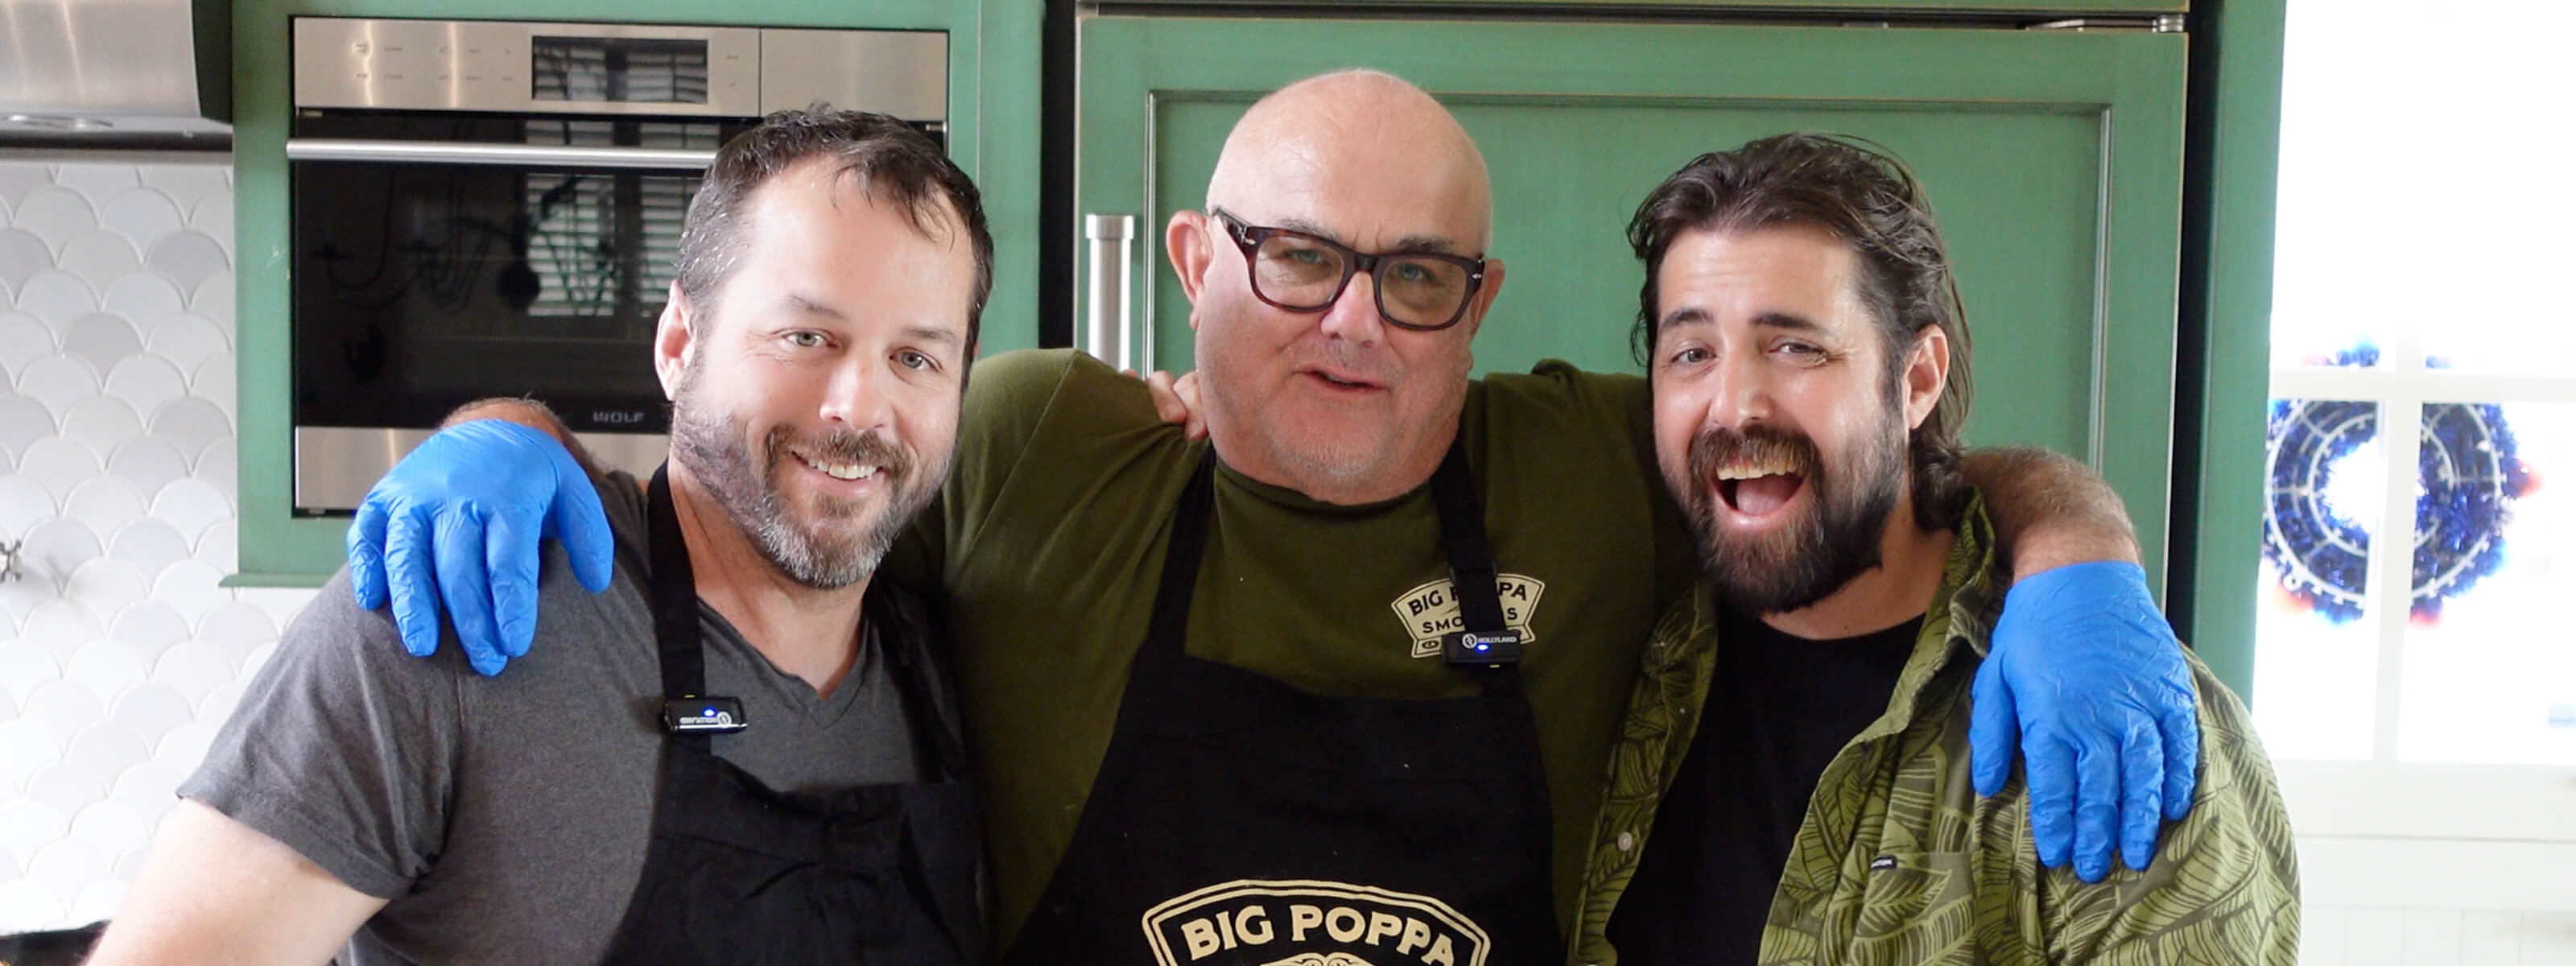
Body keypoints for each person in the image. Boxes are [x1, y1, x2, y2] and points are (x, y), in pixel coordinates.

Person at [343, 72, 2202, 964]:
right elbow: (775, 489)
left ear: (1476, 309)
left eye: (1411, 278)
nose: (1345, 321)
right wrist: (514, 434)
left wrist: (2076, 549)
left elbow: (1827, 448)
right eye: (1297, 259)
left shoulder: (1585, 465)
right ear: (1187, 266)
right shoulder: (1029, 439)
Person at [86, 109, 993, 965]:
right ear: (679, 343)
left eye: (915, 357)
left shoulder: (959, 672)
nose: (858, 410)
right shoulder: (460, 617)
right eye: (805, 336)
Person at [1575, 134, 2297, 964]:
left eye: (1795, 347)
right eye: (1691, 353)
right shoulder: (1630, 652)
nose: (1734, 405)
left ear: (1916, 380)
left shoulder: (2114, 726)